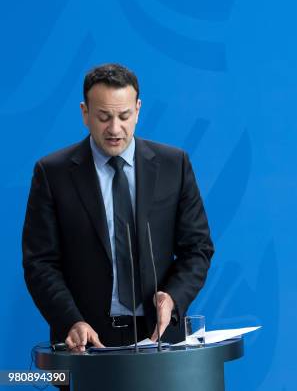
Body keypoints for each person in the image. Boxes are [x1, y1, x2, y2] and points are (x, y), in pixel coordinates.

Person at [22, 63, 214, 351]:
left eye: (124, 116)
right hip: (87, 341)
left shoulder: (175, 165)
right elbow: (40, 262)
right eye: (103, 117)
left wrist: (173, 297)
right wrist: (70, 321)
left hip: (158, 338)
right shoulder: (53, 173)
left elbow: (197, 248)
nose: (115, 128)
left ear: (137, 110)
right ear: (85, 113)